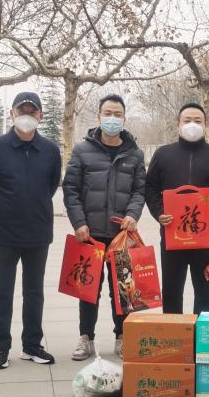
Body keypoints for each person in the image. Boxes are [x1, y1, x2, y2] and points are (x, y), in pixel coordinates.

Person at [0, 91, 60, 369]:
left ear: (40, 115)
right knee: (2, 291)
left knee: (34, 291)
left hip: (38, 231)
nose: (26, 116)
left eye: (31, 111)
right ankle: (0, 347)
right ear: (11, 114)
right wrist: (3, 207)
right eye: (21, 111)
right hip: (4, 232)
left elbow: (51, 186)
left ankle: (32, 344)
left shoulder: (50, 150)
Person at [62, 94, 146, 361]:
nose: (112, 118)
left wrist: (133, 214)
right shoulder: (82, 150)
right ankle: (85, 338)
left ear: (124, 118)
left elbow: (139, 190)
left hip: (122, 235)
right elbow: (71, 189)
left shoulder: (134, 153)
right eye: (107, 113)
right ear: (98, 117)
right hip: (91, 234)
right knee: (88, 289)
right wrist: (79, 222)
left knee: (123, 289)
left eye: (117, 114)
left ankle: (123, 337)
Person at [145, 103, 209, 314]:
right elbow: (150, 189)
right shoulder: (163, 155)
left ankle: (201, 331)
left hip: (204, 237)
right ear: (177, 124)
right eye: (187, 120)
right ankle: (174, 331)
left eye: (198, 121)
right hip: (172, 235)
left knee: (204, 289)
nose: (192, 124)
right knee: (171, 289)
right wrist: (159, 213)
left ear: (206, 125)